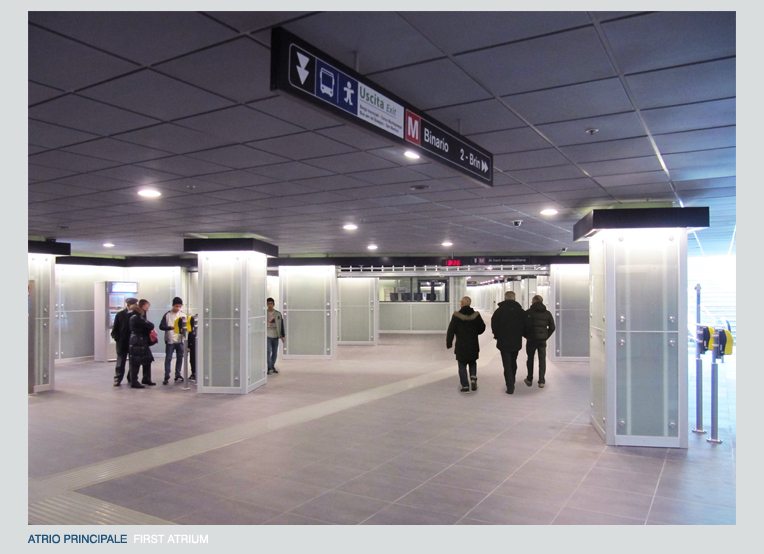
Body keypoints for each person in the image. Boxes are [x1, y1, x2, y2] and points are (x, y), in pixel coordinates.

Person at [446, 296, 486, 393]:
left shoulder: (456, 315)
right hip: (473, 344)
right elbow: (482, 327)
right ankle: (473, 377)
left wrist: (449, 342)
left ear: (461, 303)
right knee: (472, 361)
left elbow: (451, 330)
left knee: (462, 364)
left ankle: (465, 386)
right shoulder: (476, 315)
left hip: (461, 345)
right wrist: (476, 331)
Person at [491, 291, 526, 394]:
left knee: (506, 363)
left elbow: (494, 324)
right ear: (515, 298)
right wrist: (522, 334)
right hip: (516, 340)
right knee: (513, 361)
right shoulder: (520, 311)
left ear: (505, 298)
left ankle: (510, 385)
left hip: (503, 341)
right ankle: (512, 380)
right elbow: (525, 324)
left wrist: (497, 335)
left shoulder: (499, 311)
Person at [523, 294, 556, 389]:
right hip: (542, 340)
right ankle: (541, 381)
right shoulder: (547, 313)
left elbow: (523, 327)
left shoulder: (528, 313)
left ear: (532, 302)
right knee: (542, 360)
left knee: (530, 358)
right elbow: (552, 327)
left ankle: (529, 379)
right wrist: (545, 336)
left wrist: (526, 335)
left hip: (531, 339)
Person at [159, 297, 187, 385]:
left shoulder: (183, 315)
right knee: (168, 358)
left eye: (179, 306)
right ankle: (166, 375)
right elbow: (161, 326)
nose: (178, 308)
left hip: (180, 340)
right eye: (176, 306)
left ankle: (178, 374)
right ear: (173, 305)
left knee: (180, 358)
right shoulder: (167, 315)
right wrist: (170, 328)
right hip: (170, 340)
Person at [128, 299, 155, 388]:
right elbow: (150, 325)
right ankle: (134, 381)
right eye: (147, 307)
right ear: (143, 306)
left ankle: (146, 378)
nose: (148, 309)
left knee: (147, 359)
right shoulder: (137, 316)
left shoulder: (137, 315)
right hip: (137, 341)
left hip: (141, 341)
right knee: (136, 361)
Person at [111, 297, 138, 386]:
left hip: (133, 342)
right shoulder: (120, 315)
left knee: (133, 361)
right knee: (120, 361)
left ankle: (131, 378)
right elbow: (115, 330)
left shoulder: (137, 314)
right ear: (129, 305)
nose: (136, 306)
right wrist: (118, 339)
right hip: (122, 342)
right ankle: (117, 379)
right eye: (135, 304)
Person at [266, 298, 285, 374]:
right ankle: (270, 367)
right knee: (267, 351)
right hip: (267, 335)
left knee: (274, 352)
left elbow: (281, 325)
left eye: (271, 303)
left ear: (273, 304)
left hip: (276, 335)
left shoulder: (278, 314)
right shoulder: (264, 314)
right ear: (267, 304)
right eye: (268, 303)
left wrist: (283, 335)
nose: (270, 305)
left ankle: (272, 366)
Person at [187, 314, 198, 382]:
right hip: (193, 345)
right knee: (192, 359)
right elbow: (189, 335)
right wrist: (188, 346)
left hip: (199, 345)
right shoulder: (192, 329)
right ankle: (194, 373)